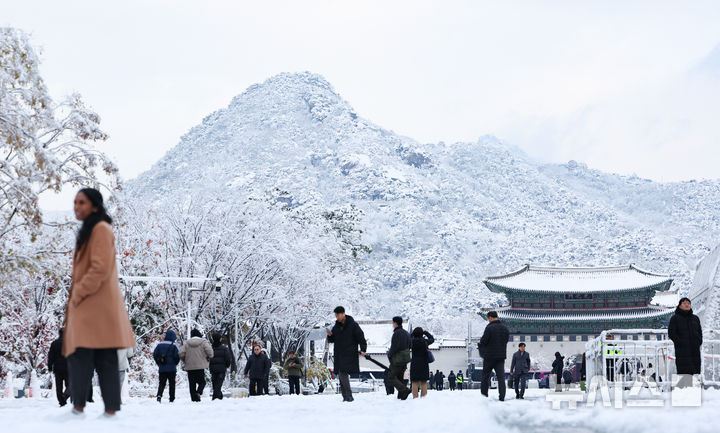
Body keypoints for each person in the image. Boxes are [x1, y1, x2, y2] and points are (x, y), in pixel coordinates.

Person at [62, 188, 136, 418]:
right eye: (74, 202)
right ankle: (91, 409)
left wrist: (78, 294)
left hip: (95, 305)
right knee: (95, 356)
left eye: (81, 202)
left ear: (94, 205)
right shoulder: (90, 228)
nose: (76, 206)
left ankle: (87, 409)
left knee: (92, 356)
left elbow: (100, 268)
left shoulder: (101, 229)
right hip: (93, 305)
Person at [326, 306, 367, 402]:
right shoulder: (336, 326)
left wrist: (363, 349)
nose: (337, 317)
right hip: (339, 353)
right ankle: (345, 396)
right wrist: (330, 336)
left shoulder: (353, 325)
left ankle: (349, 395)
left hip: (349, 352)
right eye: (335, 315)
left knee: (342, 372)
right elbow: (333, 340)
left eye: (338, 315)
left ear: (343, 313)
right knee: (341, 373)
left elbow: (361, 337)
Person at [668, 297, 703, 387]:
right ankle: (684, 394)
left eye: (688, 303)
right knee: (684, 372)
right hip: (682, 350)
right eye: (684, 303)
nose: (687, 304)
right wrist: (679, 342)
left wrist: (699, 341)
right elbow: (671, 333)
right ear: (680, 306)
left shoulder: (695, 318)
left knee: (695, 372)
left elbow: (700, 331)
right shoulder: (675, 318)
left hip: (694, 350)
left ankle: (694, 393)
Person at [478, 311, 510, 401]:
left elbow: (483, 341)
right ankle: (502, 397)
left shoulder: (489, 328)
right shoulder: (505, 328)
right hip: (501, 357)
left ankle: (484, 396)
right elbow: (506, 340)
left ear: (490, 317)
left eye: (488, 318)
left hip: (489, 357)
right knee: (501, 378)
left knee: (485, 377)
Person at [180, 328, 213, 402]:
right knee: (202, 382)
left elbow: (181, 353)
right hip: (200, 366)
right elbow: (210, 352)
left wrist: (185, 360)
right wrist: (208, 357)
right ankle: (198, 392)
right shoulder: (203, 342)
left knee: (192, 383)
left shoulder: (187, 343)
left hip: (190, 367)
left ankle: (194, 399)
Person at [386, 316, 411, 400]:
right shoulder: (406, 333)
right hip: (405, 359)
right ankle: (401, 395)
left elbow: (394, 347)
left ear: (395, 323)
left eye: (393, 323)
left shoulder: (396, 333)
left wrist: (389, 354)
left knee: (391, 376)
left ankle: (404, 390)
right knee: (400, 377)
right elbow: (410, 345)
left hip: (397, 359)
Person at [153, 329, 180, 403]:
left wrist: (159, 363)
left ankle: (159, 395)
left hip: (162, 368)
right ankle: (171, 398)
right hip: (172, 368)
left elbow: (155, 354)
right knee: (172, 383)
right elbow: (177, 356)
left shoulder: (159, 345)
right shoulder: (175, 345)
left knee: (161, 383)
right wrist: (175, 363)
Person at [409, 327, 434, 398]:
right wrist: (425, 332)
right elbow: (432, 339)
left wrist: (412, 334)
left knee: (414, 381)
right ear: (422, 334)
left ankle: (415, 397)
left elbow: (407, 339)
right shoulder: (425, 342)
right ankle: (423, 397)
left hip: (414, 363)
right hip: (424, 363)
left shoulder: (412, 341)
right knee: (423, 381)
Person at [48, 328, 70, 407]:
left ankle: (61, 401)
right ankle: (65, 396)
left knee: (59, 386)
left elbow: (51, 356)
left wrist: (50, 367)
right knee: (70, 385)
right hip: (68, 368)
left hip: (57, 368)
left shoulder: (54, 343)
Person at [209, 333, 232, 400]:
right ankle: (215, 398)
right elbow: (228, 359)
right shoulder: (224, 348)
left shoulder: (210, 348)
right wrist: (227, 366)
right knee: (218, 384)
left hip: (213, 369)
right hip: (221, 369)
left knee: (215, 384)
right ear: (220, 339)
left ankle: (219, 397)